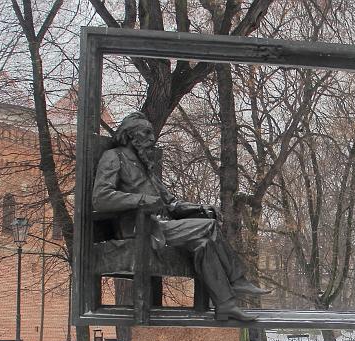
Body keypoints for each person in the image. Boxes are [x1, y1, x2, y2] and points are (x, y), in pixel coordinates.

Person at [92, 112, 269, 321]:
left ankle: (226, 305)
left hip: (159, 227)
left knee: (204, 245)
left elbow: (171, 203)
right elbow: (100, 197)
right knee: (209, 226)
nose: (152, 138)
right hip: (137, 229)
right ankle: (237, 278)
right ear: (131, 135)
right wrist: (141, 200)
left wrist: (199, 208)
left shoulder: (145, 166)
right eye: (146, 133)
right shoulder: (114, 157)